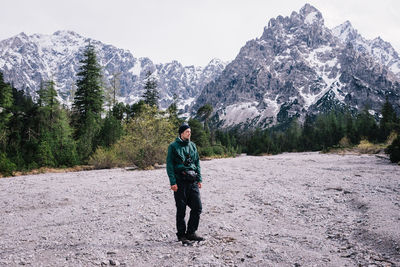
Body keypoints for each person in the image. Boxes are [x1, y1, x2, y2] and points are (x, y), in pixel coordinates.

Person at [166, 122, 204, 245]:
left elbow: (197, 162)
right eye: (187, 131)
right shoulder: (173, 146)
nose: (189, 133)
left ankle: (191, 232)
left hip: (192, 181)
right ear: (181, 133)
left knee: (197, 208)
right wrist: (173, 182)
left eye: (190, 132)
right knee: (181, 209)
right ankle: (181, 235)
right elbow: (169, 165)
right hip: (180, 182)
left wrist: (199, 179)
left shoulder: (193, 146)